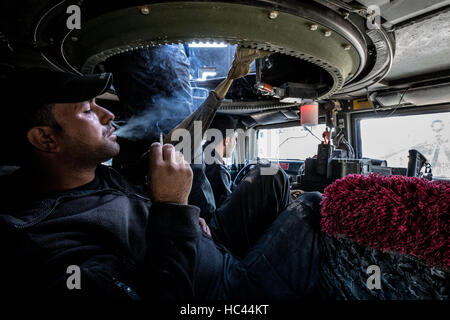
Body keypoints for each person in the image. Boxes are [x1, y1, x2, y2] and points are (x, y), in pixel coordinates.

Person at [0, 68, 322, 301]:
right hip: (218, 291)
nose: (108, 114)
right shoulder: (52, 244)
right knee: (312, 205)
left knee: (270, 175)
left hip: (203, 244)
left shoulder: (94, 175)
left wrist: (186, 222)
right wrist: (172, 210)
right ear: (45, 138)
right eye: (87, 110)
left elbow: (180, 143)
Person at [204, 114, 238, 207]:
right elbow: (227, 207)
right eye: (235, 139)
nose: (235, 143)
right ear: (227, 140)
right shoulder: (218, 170)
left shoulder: (202, 155)